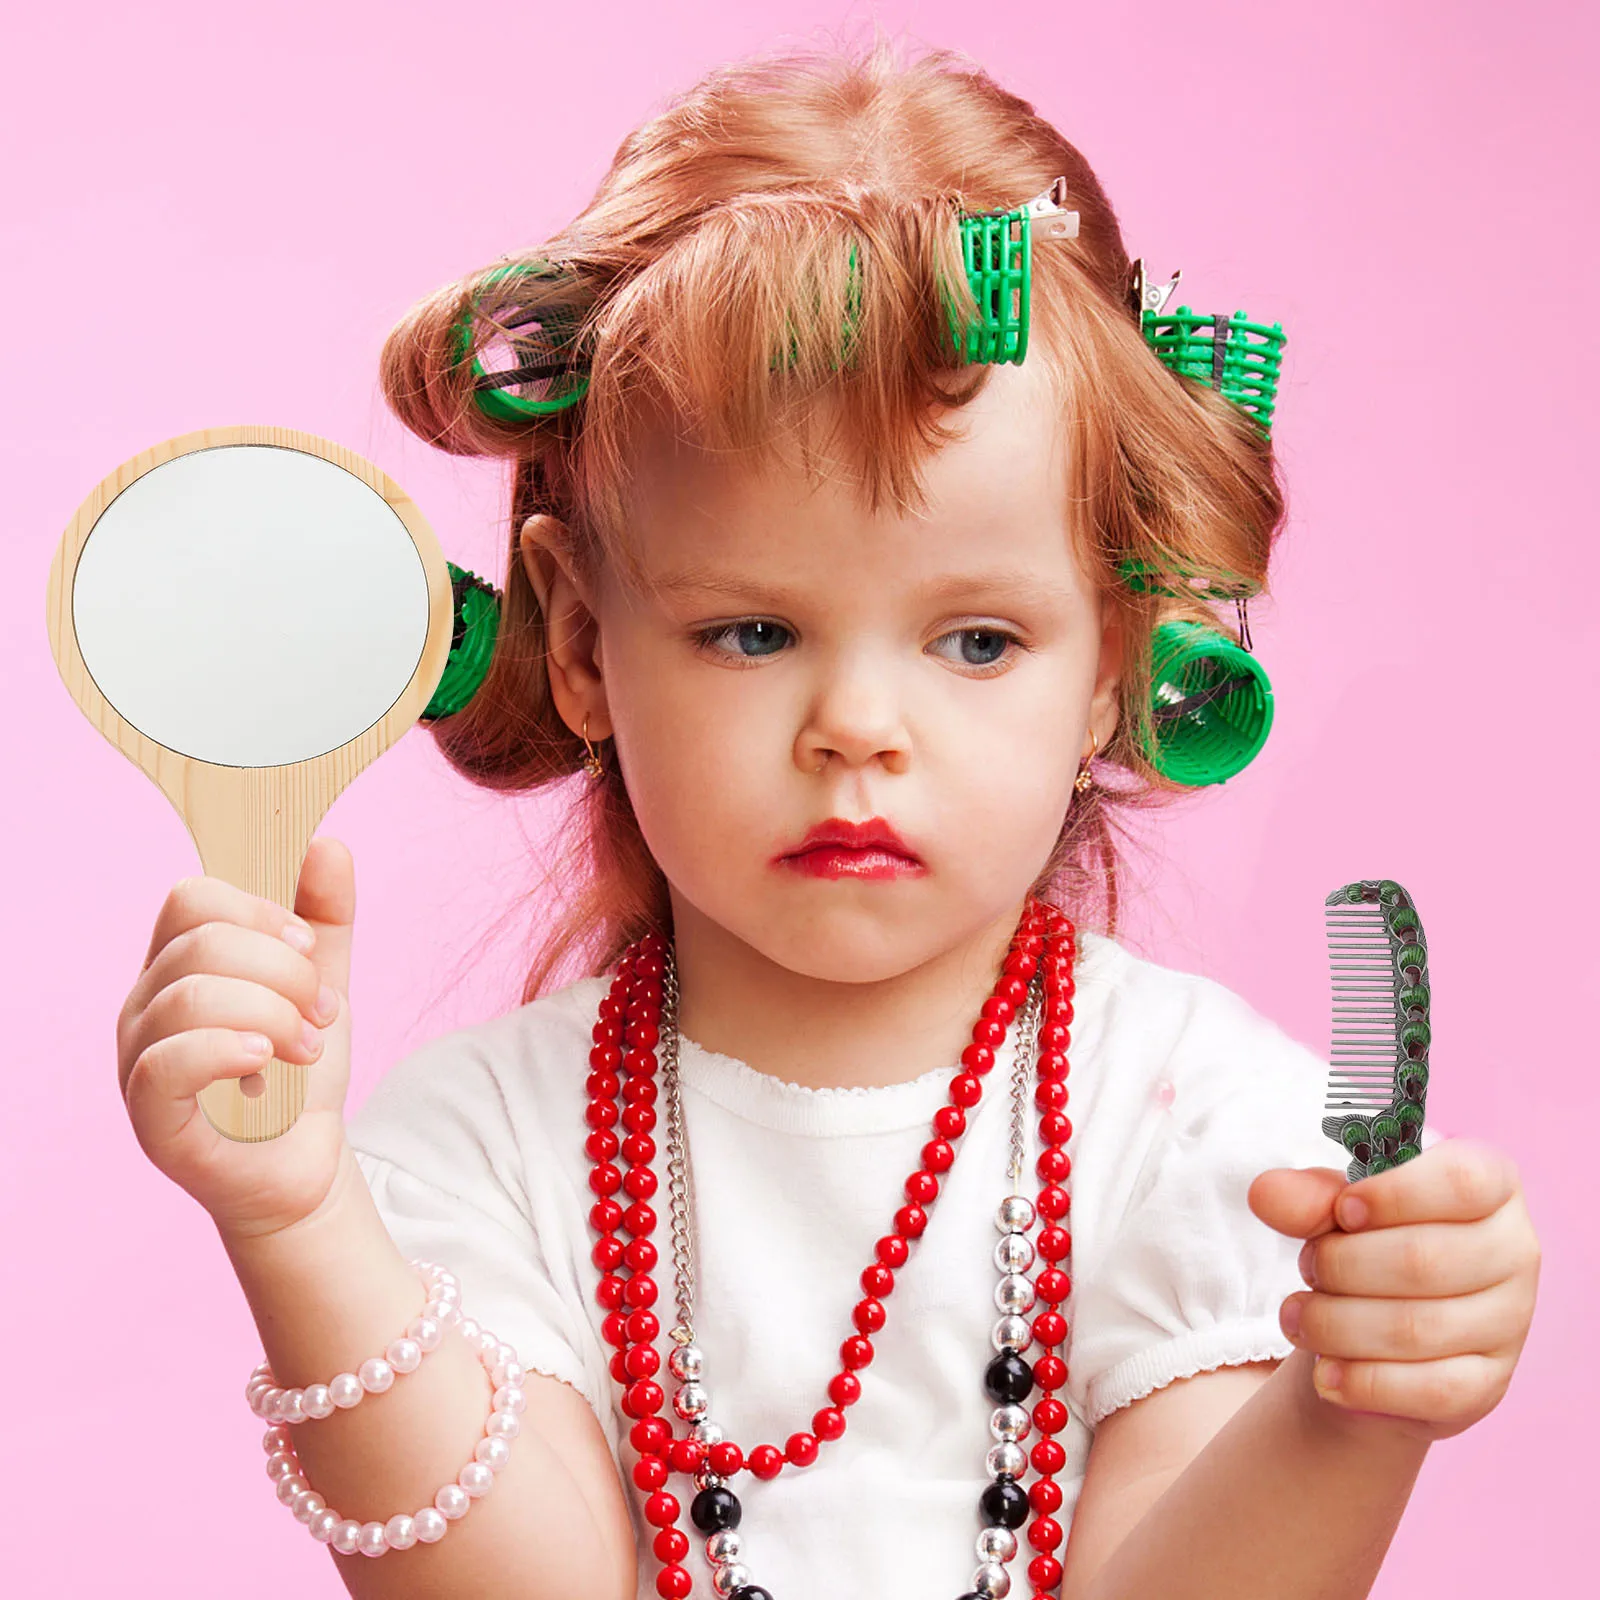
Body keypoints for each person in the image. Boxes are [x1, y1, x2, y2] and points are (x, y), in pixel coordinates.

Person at [115, 35, 1540, 1600]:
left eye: (977, 641)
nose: (858, 728)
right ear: (585, 645)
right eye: (753, 631)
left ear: (1112, 672)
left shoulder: (1210, 1132)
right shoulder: (478, 1148)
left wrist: (1353, 1408)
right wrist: (300, 1224)